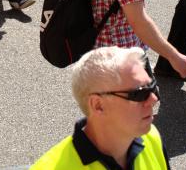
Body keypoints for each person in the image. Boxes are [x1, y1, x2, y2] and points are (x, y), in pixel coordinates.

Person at [31, 46, 170, 169]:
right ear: (98, 105)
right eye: (139, 93)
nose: (153, 99)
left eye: (152, 87)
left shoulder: (151, 137)